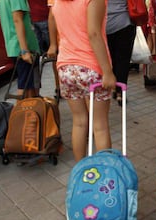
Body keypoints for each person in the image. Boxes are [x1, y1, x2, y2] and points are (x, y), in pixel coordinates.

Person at [52, 0, 116, 162]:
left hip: (66, 67)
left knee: (79, 122)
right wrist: (107, 72)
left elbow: (53, 22)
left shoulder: (58, 2)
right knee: (99, 125)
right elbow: (93, 34)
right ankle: (104, 173)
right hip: (90, 66)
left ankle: (81, 171)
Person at [0, 0, 40, 98]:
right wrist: (24, 50)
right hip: (23, 47)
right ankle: (20, 113)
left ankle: (27, 112)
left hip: (16, 46)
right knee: (26, 89)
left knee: (29, 88)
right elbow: (17, 19)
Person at [106, 0, 136, 106]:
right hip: (125, 22)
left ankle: (114, 87)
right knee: (123, 61)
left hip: (104, 24)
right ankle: (120, 92)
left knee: (111, 59)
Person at [29, 0, 61, 97]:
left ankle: (35, 93)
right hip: (46, 17)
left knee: (35, 57)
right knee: (55, 55)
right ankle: (59, 87)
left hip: (34, 18)